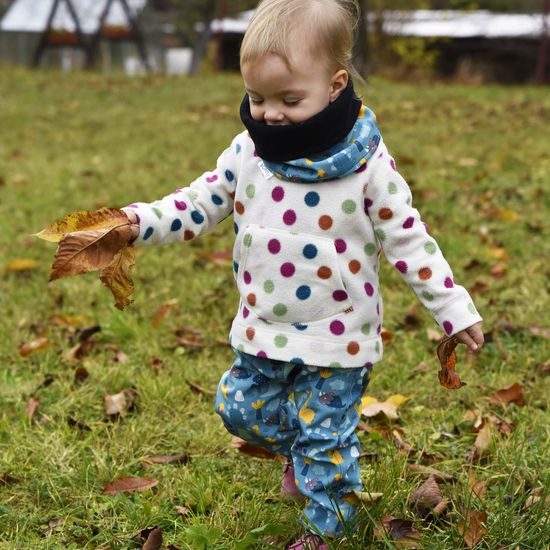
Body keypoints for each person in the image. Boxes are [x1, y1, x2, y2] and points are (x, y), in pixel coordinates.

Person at [122, 0, 484, 547]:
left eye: (290, 99)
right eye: (256, 97)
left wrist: (452, 309)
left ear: (336, 84)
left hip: (337, 334)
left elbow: (408, 238)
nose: (269, 113)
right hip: (263, 325)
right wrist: (135, 222)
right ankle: (311, 452)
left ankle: (326, 526)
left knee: (325, 437)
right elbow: (196, 204)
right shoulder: (250, 151)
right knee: (238, 409)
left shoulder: (366, 165)